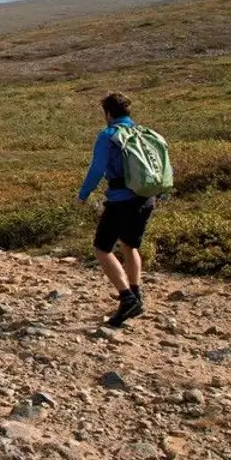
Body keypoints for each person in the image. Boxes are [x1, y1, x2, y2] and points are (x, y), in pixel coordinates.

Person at [77, 92, 155, 328]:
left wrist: (83, 195)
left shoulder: (109, 135)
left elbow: (97, 169)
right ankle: (136, 293)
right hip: (146, 197)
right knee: (130, 245)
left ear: (108, 113)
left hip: (121, 199)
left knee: (102, 248)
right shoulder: (144, 133)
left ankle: (127, 298)